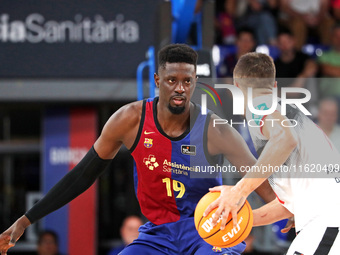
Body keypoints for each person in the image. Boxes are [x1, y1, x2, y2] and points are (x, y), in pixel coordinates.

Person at [0, 44, 274, 255]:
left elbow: (259, 179)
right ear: (157, 80)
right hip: (158, 234)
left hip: (208, 229)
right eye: (172, 80)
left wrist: (294, 214)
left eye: (187, 81)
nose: (180, 88)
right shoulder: (129, 120)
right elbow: (83, 175)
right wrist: (26, 220)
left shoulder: (214, 129)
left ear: (194, 83)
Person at [205, 52, 340, 254]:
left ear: (237, 87)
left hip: (327, 221)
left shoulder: (259, 106)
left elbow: (285, 138)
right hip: (322, 221)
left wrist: (238, 191)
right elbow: (287, 206)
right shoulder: (290, 113)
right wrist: (238, 223)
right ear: (275, 86)